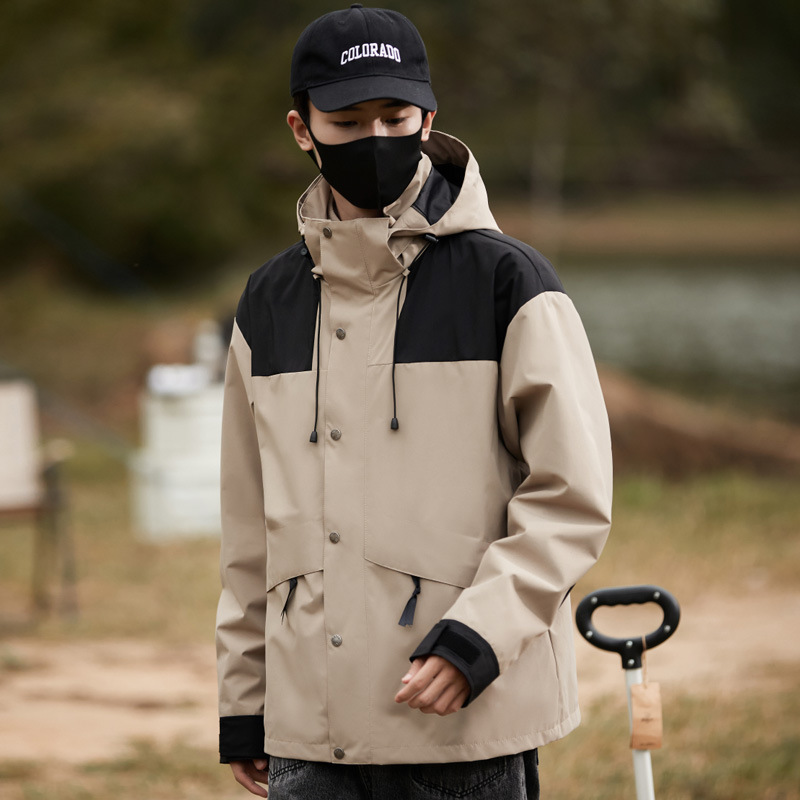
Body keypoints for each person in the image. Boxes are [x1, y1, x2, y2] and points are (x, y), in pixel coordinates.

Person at [215, 5, 612, 799]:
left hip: (466, 722)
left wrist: (478, 640)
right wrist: (246, 698)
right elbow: (250, 528)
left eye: (395, 117)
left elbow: (571, 496)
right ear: (302, 129)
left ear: (428, 119)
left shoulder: (510, 283)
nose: (375, 138)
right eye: (347, 121)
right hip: (309, 736)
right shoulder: (267, 304)